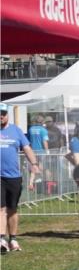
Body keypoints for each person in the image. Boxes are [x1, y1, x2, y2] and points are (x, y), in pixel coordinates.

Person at [1, 103, 42, 252]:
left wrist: (34, 163)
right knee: (1, 207)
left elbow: (27, 148)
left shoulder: (16, 131)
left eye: (3, 113)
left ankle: (13, 238)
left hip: (14, 176)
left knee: (12, 209)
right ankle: (1, 239)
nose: (1, 115)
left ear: (7, 115)